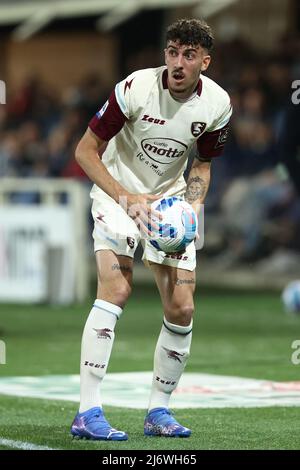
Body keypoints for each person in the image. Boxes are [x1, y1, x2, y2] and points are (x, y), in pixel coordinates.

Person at [71, 18, 232, 441]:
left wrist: (193, 206)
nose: (178, 63)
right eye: (173, 51)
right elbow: (85, 151)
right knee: (117, 288)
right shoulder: (134, 89)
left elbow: (202, 161)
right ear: (166, 53)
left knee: (182, 307)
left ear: (205, 61)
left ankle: (158, 410)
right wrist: (127, 198)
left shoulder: (217, 103)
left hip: (169, 204)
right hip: (117, 191)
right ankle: (87, 412)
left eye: (189, 55)